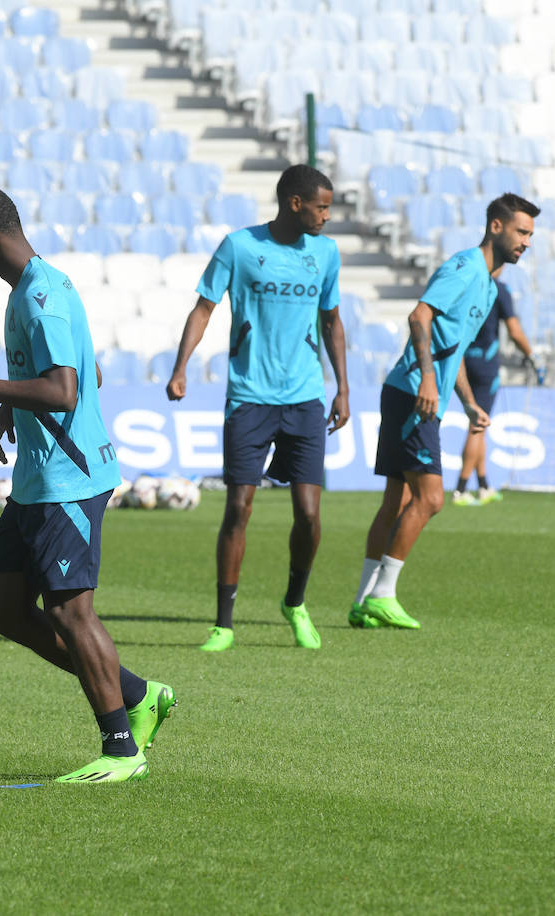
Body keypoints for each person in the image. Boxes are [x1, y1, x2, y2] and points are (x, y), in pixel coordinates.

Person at [0, 186, 174, 784]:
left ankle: (122, 750)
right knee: (9, 611)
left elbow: (65, 389)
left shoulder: (41, 298)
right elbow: (81, 369)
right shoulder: (38, 288)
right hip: (37, 479)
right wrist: (15, 406)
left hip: (68, 479)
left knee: (70, 612)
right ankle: (139, 695)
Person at [165, 164, 349, 653]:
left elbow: (332, 320)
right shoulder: (240, 247)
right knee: (238, 508)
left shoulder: (325, 254)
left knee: (309, 515)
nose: (327, 217)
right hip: (249, 397)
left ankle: (295, 602)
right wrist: (181, 366)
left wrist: (343, 389)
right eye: (322, 207)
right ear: (295, 203)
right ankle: (224, 624)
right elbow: (204, 307)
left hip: (305, 398)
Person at [350, 193, 540, 630]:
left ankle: (362, 601)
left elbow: (448, 351)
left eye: (530, 234)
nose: (527, 242)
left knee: (395, 501)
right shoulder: (464, 267)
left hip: (408, 391)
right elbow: (419, 317)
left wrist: (470, 403)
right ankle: (382, 594)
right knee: (431, 499)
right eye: (522, 232)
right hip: (415, 394)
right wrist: (431, 382)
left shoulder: (490, 287)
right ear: (496, 226)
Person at [452, 278, 544, 506]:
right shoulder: (499, 289)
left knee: (478, 425)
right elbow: (514, 330)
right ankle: (461, 488)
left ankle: (483, 485)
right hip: (485, 363)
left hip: (464, 361)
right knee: (478, 425)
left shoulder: (467, 286)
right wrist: (531, 356)